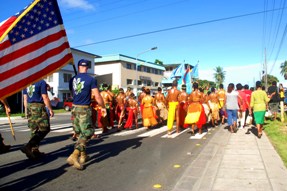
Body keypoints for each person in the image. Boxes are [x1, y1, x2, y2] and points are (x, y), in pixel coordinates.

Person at [67, 59, 104, 170]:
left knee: (79, 133)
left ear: (78, 67)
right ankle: (74, 155)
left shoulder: (72, 79)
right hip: (84, 108)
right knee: (88, 132)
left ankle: (83, 156)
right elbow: (97, 96)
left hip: (74, 107)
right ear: (87, 67)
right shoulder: (91, 79)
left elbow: (72, 93)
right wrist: (102, 106)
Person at [22, 80, 54, 159]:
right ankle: (28, 146)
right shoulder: (41, 82)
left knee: (34, 129)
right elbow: (45, 97)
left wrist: (27, 111)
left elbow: (25, 99)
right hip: (38, 107)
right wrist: (50, 109)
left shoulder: (25, 82)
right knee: (45, 128)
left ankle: (34, 151)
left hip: (29, 107)